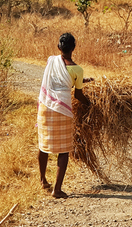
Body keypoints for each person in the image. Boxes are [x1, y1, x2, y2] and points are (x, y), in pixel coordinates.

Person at [37, 32, 92, 199]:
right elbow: (78, 95)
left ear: (58, 47)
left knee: (43, 145)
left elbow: (56, 81)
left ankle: (43, 180)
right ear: (73, 48)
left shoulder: (51, 61)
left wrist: (84, 80)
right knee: (64, 150)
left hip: (46, 107)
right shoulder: (77, 69)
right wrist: (90, 104)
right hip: (63, 110)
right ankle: (57, 190)